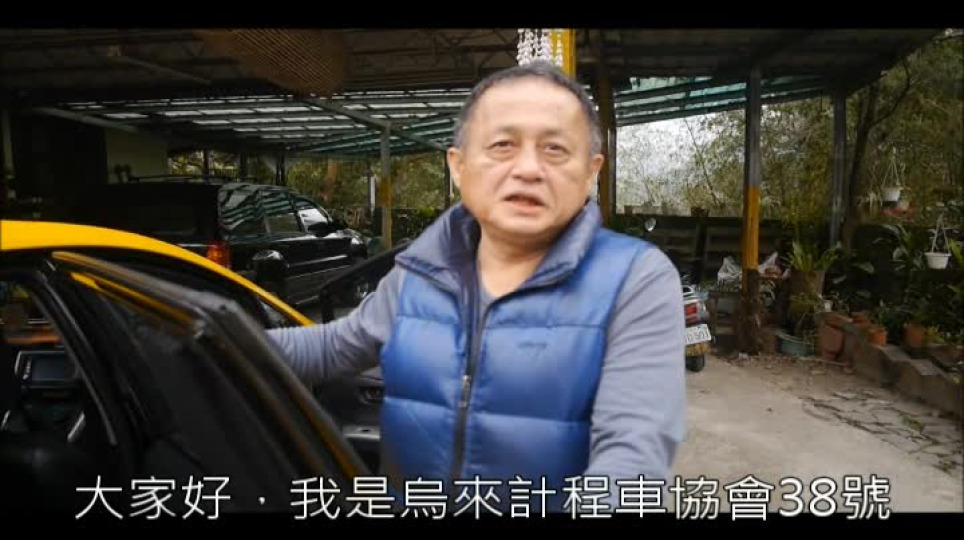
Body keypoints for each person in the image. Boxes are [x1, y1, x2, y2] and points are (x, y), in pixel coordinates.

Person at [268, 60, 686, 514]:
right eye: (503, 145)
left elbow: (633, 457)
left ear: (590, 172)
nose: (528, 168)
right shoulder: (419, 271)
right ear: (459, 166)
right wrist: (213, 332)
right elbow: (333, 347)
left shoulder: (634, 278)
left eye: (555, 149)